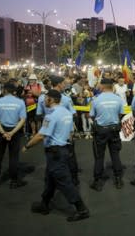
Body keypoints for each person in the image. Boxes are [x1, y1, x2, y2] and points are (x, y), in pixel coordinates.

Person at [22, 90, 89, 222]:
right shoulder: (67, 112)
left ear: (51, 100)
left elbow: (41, 135)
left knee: (64, 181)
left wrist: (27, 146)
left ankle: (82, 209)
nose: (43, 101)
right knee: (50, 180)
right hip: (63, 149)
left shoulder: (51, 116)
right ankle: (44, 204)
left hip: (55, 153)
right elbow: (70, 132)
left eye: (45, 98)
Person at [37, 75, 80, 186]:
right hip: (64, 131)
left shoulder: (42, 98)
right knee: (70, 155)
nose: (65, 85)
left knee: (51, 157)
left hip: (49, 131)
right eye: (64, 83)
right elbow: (73, 114)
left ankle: (51, 182)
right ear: (59, 84)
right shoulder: (65, 98)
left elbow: (39, 114)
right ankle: (74, 179)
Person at [89, 78, 125, 191]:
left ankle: (97, 181)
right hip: (114, 129)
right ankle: (118, 179)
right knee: (115, 155)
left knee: (99, 156)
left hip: (101, 130)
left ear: (102, 86)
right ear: (112, 86)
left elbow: (92, 115)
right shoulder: (118, 99)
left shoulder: (96, 99)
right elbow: (120, 114)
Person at [0, 82, 27, 189]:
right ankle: (13, 181)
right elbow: (23, 119)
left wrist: (3, 133)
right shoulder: (20, 102)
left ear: (4, 90)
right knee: (14, 157)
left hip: (0, 130)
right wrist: (12, 132)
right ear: (14, 91)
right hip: (14, 131)